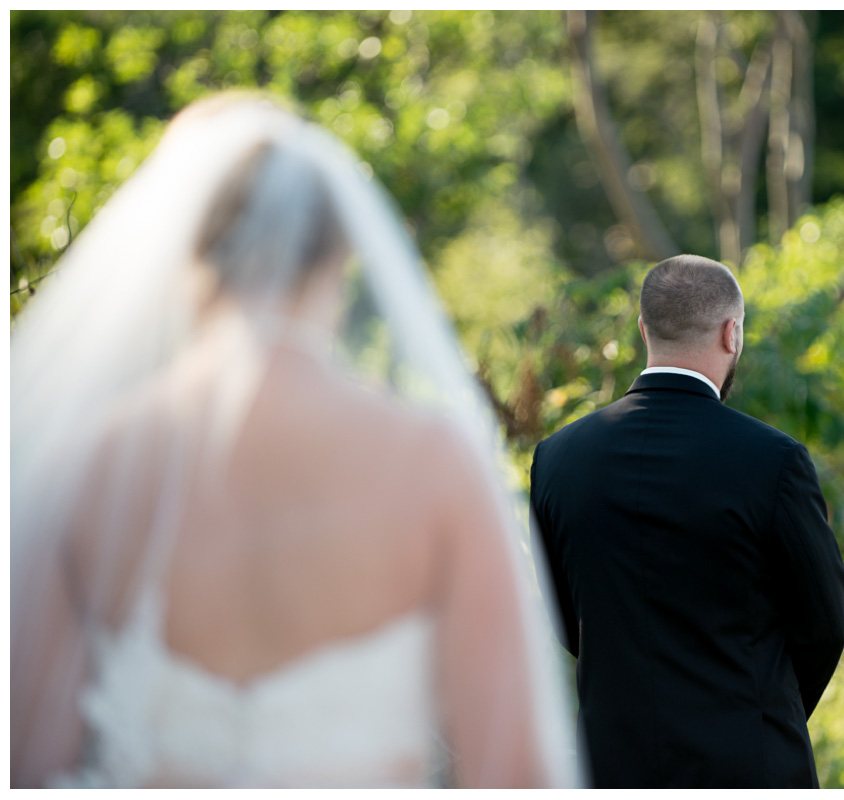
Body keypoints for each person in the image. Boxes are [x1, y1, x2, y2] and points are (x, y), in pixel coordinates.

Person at [11, 92, 579, 788]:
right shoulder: (432, 462)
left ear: (179, 248)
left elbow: (30, 767)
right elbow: (515, 775)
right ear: (342, 252)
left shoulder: (89, 467)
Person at [529, 254, 844, 788]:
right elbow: (823, 625)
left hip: (611, 770)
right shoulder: (773, 460)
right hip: (750, 768)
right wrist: (763, 715)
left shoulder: (558, 458)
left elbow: (565, 616)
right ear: (733, 334)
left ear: (643, 329)